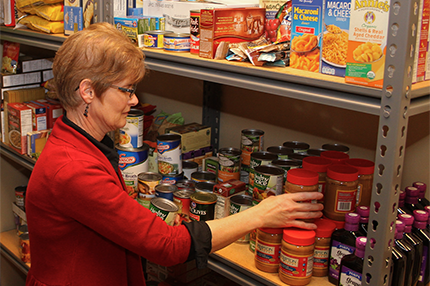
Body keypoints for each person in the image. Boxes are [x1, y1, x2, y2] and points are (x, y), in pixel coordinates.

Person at [25, 22, 323, 286]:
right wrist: (261, 214)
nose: (135, 99)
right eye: (127, 90)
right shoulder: (72, 168)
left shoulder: (82, 142)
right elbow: (168, 247)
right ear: (87, 91)